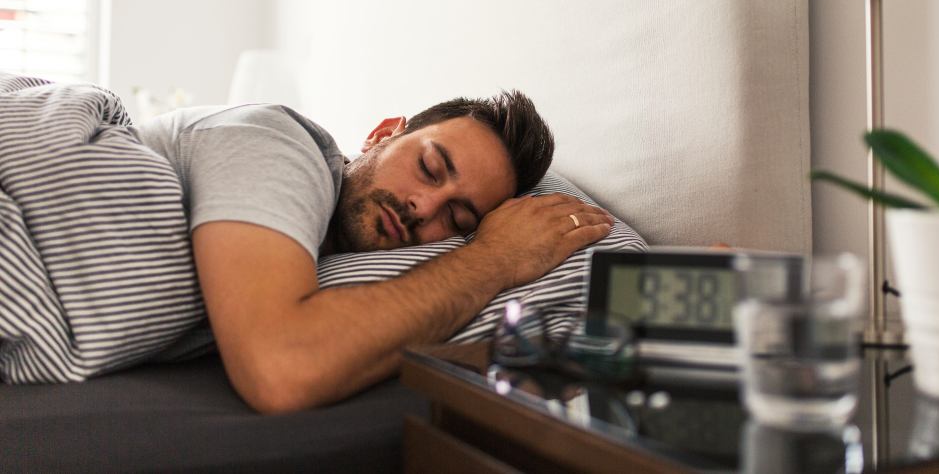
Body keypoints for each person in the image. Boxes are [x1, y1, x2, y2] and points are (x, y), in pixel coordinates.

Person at [133, 90, 614, 414]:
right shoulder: (282, 143)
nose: (423, 207)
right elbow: (282, 365)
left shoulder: (305, 253)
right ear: (383, 134)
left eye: (458, 220)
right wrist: (496, 257)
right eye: (428, 166)